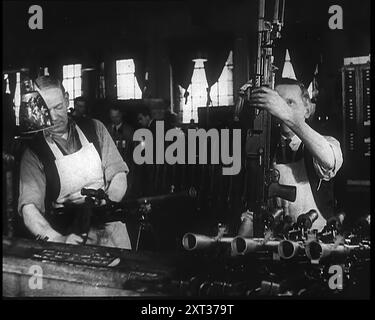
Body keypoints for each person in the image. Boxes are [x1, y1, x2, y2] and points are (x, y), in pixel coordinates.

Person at [18, 76, 131, 248]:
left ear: (67, 99)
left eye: (58, 107)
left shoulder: (95, 128)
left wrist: (108, 201)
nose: (54, 117)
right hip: (69, 236)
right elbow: (29, 209)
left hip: (111, 228)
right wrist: (58, 239)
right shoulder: (34, 152)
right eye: (47, 110)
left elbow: (119, 174)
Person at [249, 78, 343, 232]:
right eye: (277, 103)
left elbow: (329, 160)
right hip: (277, 241)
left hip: (318, 240)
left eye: (290, 103)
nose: (280, 109)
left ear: (307, 110)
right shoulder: (265, 150)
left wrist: (288, 115)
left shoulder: (324, 143)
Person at [106, 105, 135, 195]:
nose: (114, 119)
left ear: (121, 115)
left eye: (117, 116)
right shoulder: (107, 129)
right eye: (112, 117)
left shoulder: (129, 131)